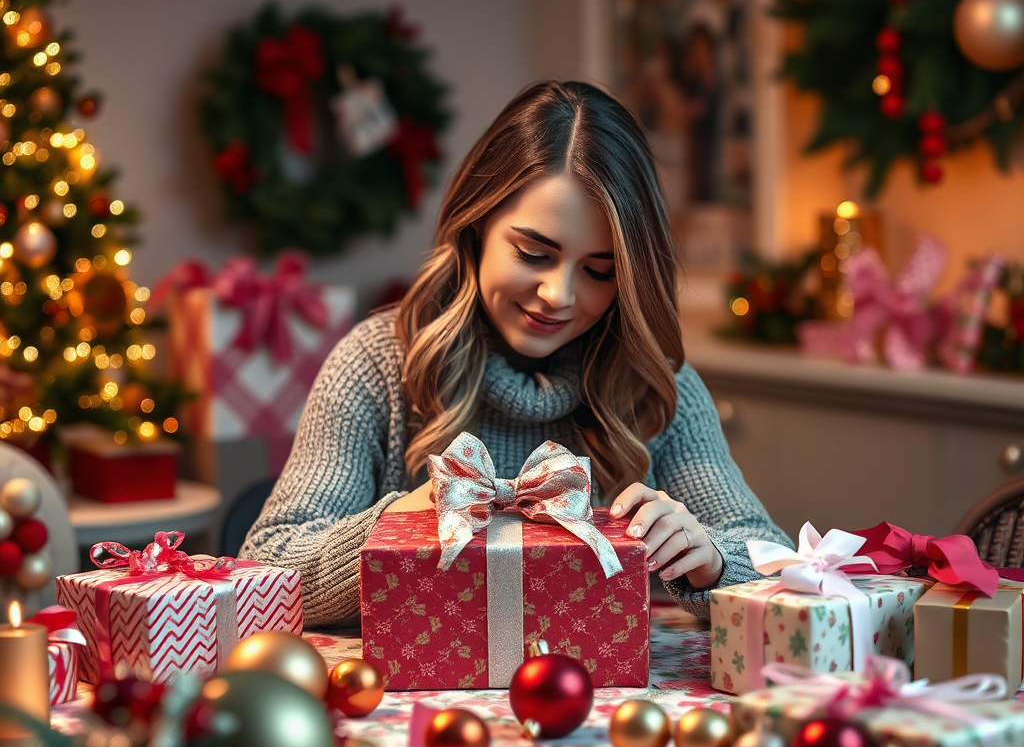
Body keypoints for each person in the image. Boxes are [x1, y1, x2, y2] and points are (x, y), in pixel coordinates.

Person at [241, 80, 791, 627]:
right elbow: (264, 569)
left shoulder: (652, 383)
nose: (559, 295)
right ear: (476, 224)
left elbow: (777, 564)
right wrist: (402, 522)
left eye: (600, 271)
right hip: (409, 704)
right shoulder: (377, 363)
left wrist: (713, 560)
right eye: (533, 253)